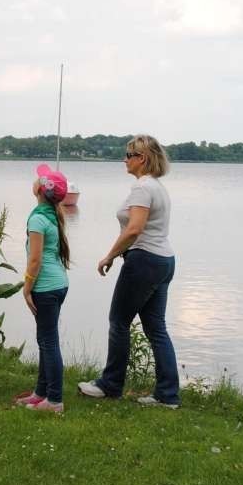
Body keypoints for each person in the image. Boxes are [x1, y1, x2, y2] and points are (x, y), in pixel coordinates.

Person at [78, 134, 180, 409]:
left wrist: (109, 255)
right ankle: (168, 395)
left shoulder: (142, 189)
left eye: (128, 155)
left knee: (119, 321)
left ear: (142, 158)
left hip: (145, 261)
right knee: (156, 327)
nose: (125, 160)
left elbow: (134, 229)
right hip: (164, 260)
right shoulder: (157, 187)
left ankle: (110, 385)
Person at [14, 164, 71, 414]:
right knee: (45, 339)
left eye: (39, 179)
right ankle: (41, 392)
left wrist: (27, 288)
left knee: (48, 341)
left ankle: (55, 400)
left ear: (40, 189)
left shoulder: (38, 218)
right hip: (58, 284)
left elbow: (35, 260)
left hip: (45, 287)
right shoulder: (50, 214)